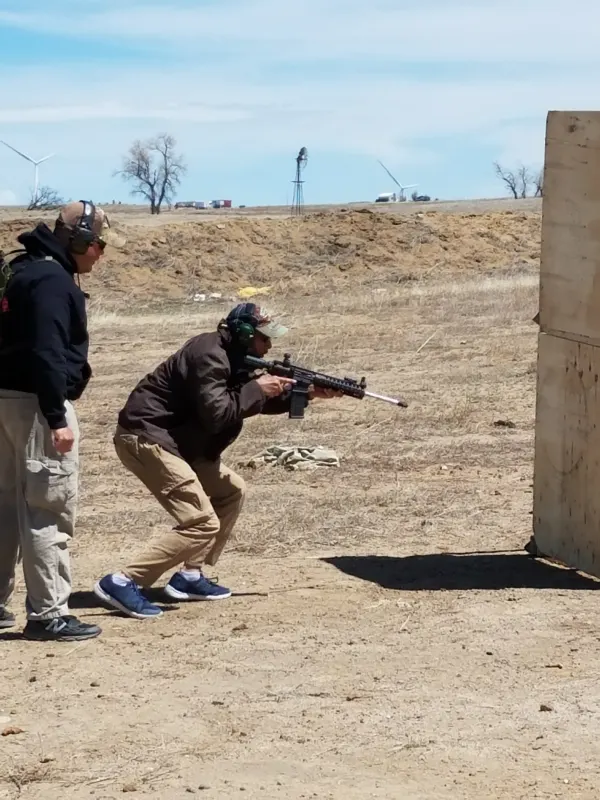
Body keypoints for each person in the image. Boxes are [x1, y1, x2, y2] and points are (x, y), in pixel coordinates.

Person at [94, 302, 339, 619]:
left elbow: (243, 400)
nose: (269, 346)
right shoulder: (209, 355)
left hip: (176, 441)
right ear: (246, 334)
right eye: (264, 338)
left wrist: (308, 394)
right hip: (146, 437)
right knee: (201, 522)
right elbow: (217, 414)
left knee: (230, 492)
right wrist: (257, 388)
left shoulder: (233, 357)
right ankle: (123, 581)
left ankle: (190, 576)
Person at [0, 200, 118, 641]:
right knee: (46, 508)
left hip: (6, 400)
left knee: (5, 508)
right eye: (100, 245)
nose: (101, 255)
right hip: (36, 405)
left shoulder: (23, 270)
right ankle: (49, 613)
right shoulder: (51, 280)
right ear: (80, 240)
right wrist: (56, 416)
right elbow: (47, 351)